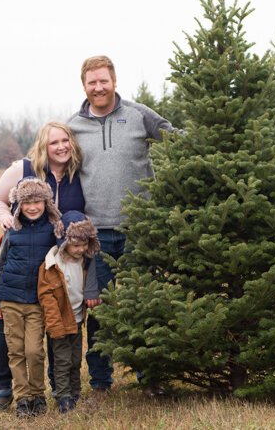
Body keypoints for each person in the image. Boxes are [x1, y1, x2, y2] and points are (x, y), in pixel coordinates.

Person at [67, 55, 174, 393]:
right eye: (91, 82)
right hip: (96, 235)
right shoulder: (73, 127)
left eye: (103, 80)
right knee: (98, 307)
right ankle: (101, 382)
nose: (98, 87)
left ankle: (151, 378)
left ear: (114, 81)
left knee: (146, 302)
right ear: (84, 86)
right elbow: (52, 163)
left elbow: (175, 138)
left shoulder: (139, 115)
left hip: (140, 229)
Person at [0, 121, 84, 411]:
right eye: (54, 142)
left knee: (52, 329)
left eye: (65, 140)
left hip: (57, 265)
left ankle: (55, 389)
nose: (61, 146)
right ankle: (5, 389)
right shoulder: (23, 169)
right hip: (19, 261)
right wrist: (6, 219)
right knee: (6, 332)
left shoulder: (77, 173)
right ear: (43, 145)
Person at [0, 177, 60, 418]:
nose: (32, 207)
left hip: (37, 302)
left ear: (46, 202)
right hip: (10, 300)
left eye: (37, 201)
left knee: (34, 351)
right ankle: (23, 399)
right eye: (27, 202)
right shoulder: (12, 229)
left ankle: (38, 394)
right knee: (16, 351)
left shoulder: (53, 230)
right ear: (19, 204)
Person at [38, 210, 101, 413]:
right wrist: (55, 326)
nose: (81, 249)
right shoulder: (52, 266)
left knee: (75, 358)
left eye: (85, 244)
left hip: (77, 320)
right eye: (76, 245)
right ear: (64, 242)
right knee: (62, 360)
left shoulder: (84, 262)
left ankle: (75, 391)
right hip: (59, 323)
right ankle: (63, 396)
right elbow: (47, 299)